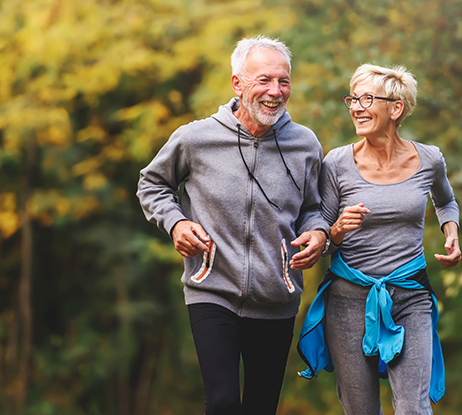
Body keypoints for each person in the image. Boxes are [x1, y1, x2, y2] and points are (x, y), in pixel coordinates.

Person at [137, 36, 328, 415]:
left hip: (277, 297)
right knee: (223, 401)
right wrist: (176, 224)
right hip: (212, 290)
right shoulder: (196, 138)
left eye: (284, 81)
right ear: (237, 84)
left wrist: (319, 232)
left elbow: (315, 206)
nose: (276, 91)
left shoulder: (305, 144)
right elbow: (152, 184)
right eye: (264, 80)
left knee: (261, 406)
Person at [297, 64, 462, 415]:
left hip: (410, 296)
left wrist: (451, 233)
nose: (356, 108)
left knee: (413, 408)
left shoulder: (429, 159)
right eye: (353, 100)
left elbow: (445, 201)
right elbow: (323, 234)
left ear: (396, 108)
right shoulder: (336, 163)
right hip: (348, 300)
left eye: (367, 99)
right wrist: (338, 229)